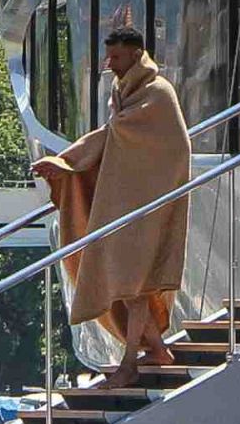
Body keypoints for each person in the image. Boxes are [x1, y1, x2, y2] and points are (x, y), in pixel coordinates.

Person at [31, 25, 190, 389]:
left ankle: (131, 362)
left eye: (116, 57)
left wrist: (67, 161)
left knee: (134, 285)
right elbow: (115, 136)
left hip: (151, 204)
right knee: (132, 285)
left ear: (136, 54)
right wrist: (67, 164)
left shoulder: (157, 94)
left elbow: (133, 139)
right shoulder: (127, 92)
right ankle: (155, 350)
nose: (110, 64)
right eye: (109, 56)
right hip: (130, 202)